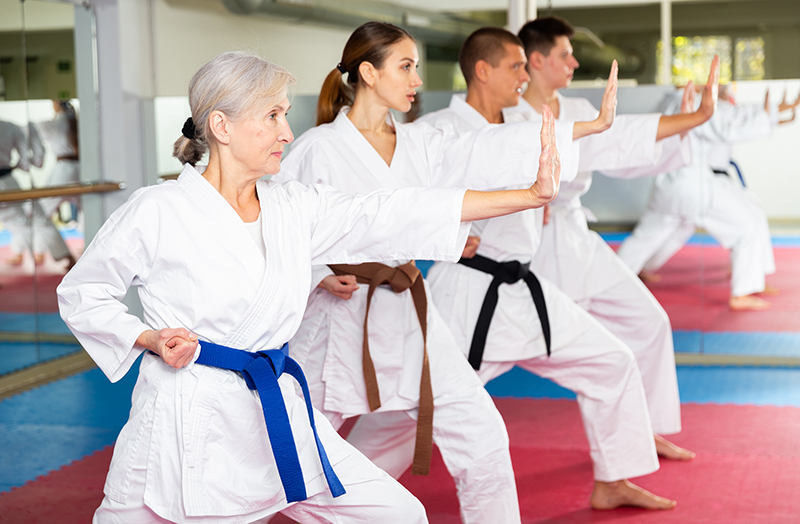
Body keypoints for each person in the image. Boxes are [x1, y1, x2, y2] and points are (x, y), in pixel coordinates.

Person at [57, 51, 562, 524]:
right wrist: (147, 337)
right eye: (273, 116)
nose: (288, 131)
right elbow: (84, 292)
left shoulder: (292, 206)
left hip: (277, 407)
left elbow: (389, 212)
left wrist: (527, 195)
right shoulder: (158, 210)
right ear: (221, 126)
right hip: (190, 420)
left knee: (397, 514)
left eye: (284, 115)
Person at [353, 26, 702, 512]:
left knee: (611, 360)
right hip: (470, 296)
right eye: (516, 66)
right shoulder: (436, 132)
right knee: (412, 406)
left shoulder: (521, 122)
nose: (525, 75)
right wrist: (447, 228)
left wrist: (680, 119)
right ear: (483, 71)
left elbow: (586, 145)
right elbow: (397, 194)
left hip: (523, 287)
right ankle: (337, 487)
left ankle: (613, 479)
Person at [273, 21, 573, 524]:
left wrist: (575, 135)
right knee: (291, 448)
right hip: (339, 316)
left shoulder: (419, 142)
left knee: (482, 435)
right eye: (405, 66)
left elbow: (471, 164)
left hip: (412, 309)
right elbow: (276, 225)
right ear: (368, 72)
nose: (416, 79)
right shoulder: (317, 148)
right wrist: (319, 271)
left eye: (415, 67)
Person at [617, 83, 798, 310]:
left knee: (650, 235)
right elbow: (727, 127)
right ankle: (742, 292)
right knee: (747, 225)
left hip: (668, 184)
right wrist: (766, 115)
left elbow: (733, 114)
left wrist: (770, 111)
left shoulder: (672, 101)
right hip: (693, 185)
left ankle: (617, 276)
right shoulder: (697, 104)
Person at [0, 118, 75, 269]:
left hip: (8, 181)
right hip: (7, 181)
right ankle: (66, 257)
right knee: (31, 220)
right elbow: (29, 162)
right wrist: (12, 166)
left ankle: (34, 253)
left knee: (24, 221)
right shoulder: (11, 127)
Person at [37, 100, 81, 223]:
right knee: (88, 210)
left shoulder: (51, 125)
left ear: (56, 104)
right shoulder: (78, 122)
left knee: (43, 209)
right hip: (82, 167)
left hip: (65, 169)